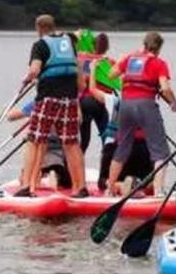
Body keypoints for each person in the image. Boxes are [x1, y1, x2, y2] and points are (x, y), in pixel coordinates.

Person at [15, 14, 88, 198]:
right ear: (54, 26)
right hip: (69, 100)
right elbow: (81, 80)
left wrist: (27, 79)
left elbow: (34, 70)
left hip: (48, 99)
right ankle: (80, 188)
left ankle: (26, 187)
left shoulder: (40, 45)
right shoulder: (69, 42)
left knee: (35, 141)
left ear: (38, 29)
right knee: (71, 143)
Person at [104, 32, 176, 197]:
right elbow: (165, 88)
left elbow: (110, 74)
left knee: (122, 147)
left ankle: (109, 189)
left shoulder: (130, 58)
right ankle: (159, 192)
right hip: (145, 105)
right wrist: (174, 103)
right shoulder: (159, 63)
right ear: (159, 48)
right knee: (161, 151)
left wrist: (124, 64)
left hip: (125, 105)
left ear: (144, 44)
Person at [87, 59, 154, 194]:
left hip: (116, 149)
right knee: (149, 182)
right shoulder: (148, 105)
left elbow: (92, 90)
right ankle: (137, 183)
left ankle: (118, 186)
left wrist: (93, 68)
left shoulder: (114, 100)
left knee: (103, 183)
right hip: (142, 149)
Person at [7, 102, 72, 189]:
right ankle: (54, 173)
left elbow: (10, 117)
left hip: (41, 148)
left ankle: (34, 178)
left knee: (33, 147)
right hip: (60, 151)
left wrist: (8, 111)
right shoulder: (67, 103)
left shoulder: (37, 103)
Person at [78, 33, 113, 153]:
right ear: (107, 48)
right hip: (99, 101)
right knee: (106, 137)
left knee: (83, 141)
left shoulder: (80, 59)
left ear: (92, 45)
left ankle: (74, 169)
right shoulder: (109, 62)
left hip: (82, 102)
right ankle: (107, 166)